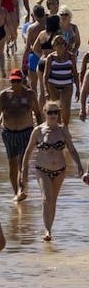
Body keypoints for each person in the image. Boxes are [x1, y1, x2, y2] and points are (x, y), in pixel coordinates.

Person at [16, 102, 88, 241]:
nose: (53, 115)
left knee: (53, 201)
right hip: (42, 169)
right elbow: (28, 152)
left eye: (56, 112)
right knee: (46, 199)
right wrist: (24, 173)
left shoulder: (63, 130)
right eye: (50, 112)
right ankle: (47, 230)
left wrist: (79, 166)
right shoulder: (38, 131)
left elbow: (72, 149)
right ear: (45, 112)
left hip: (60, 170)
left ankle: (50, 228)